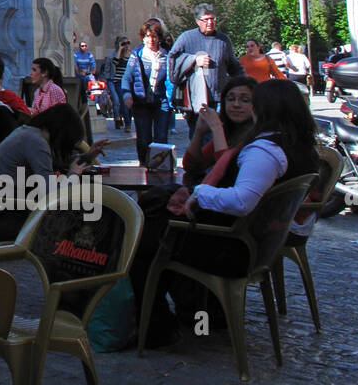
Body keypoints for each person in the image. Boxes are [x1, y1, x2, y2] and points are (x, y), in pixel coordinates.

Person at [132, 79, 319, 347]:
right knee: (155, 210)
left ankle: (157, 327)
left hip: (235, 246)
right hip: (256, 241)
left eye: (250, 102)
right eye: (233, 98)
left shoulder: (265, 150)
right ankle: (194, 317)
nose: (242, 106)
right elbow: (198, 163)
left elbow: (242, 200)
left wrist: (200, 193)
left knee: (144, 240)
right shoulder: (300, 147)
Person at [0, 104, 106, 242]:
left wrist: (87, 156)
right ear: (62, 134)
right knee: (74, 222)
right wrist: (72, 175)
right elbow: (52, 195)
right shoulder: (36, 142)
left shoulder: (29, 134)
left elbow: (55, 163)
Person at [168, 3, 242, 136]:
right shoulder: (186, 38)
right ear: (197, 21)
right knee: (198, 136)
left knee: (218, 136)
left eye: (212, 19)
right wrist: (193, 60)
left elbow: (234, 66)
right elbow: (172, 60)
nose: (210, 22)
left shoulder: (223, 40)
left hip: (218, 98)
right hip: (196, 100)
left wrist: (246, 84)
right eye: (206, 19)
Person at [180, 75, 257, 191]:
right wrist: (199, 131)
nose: (236, 104)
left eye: (245, 100)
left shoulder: (256, 136)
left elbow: (226, 172)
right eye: (230, 99)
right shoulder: (228, 130)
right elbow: (191, 166)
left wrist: (217, 129)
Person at [122, 20, 175, 166]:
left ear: (159, 37)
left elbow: (172, 78)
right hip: (141, 102)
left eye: (154, 36)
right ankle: (144, 167)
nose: (150, 40)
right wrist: (127, 94)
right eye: (147, 36)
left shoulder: (167, 55)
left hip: (161, 102)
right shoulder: (137, 55)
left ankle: (161, 169)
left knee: (161, 137)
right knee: (144, 138)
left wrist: (171, 99)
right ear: (143, 37)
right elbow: (127, 77)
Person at [99, 37, 132, 131]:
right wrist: (120, 50)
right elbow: (115, 62)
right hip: (115, 81)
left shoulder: (131, 55)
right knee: (118, 101)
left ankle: (125, 121)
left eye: (127, 43)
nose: (125, 45)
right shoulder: (113, 56)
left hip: (126, 82)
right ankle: (120, 120)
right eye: (123, 43)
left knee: (125, 103)